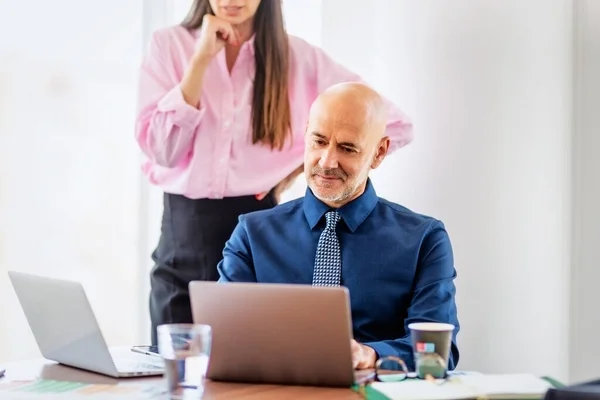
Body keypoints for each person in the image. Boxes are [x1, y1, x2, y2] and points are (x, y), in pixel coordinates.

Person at [135, 0, 413, 344]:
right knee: (173, 376)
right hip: (181, 240)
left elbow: (396, 124)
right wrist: (201, 59)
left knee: (255, 371)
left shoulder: (298, 57)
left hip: (258, 237)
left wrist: (300, 167)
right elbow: (162, 150)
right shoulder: (169, 45)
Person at [217, 82, 459, 371]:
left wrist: (370, 355)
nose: (327, 161)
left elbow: (436, 352)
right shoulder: (252, 235)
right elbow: (223, 337)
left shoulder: (424, 240)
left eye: (347, 148)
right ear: (306, 134)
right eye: (319, 141)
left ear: (379, 153)